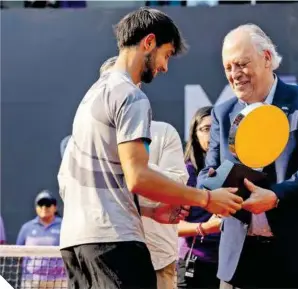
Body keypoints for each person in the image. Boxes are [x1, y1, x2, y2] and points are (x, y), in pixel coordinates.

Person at [58, 8, 242, 289]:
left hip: (76, 244)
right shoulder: (131, 95)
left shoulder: (91, 96)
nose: (164, 67)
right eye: (166, 54)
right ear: (148, 42)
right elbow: (138, 177)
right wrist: (205, 199)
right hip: (115, 245)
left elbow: (89, 180)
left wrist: (149, 211)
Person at [197, 24, 298, 289]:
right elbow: (208, 172)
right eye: (228, 68)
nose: (234, 75)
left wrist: (275, 197)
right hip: (240, 258)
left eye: (241, 64)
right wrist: (208, 191)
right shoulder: (222, 112)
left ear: (266, 59)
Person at [99, 55, 189, 289]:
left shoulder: (164, 132)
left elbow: (178, 182)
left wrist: (133, 161)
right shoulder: (92, 140)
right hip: (108, 255)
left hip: (158, 257)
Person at [177, 106, 222, 289]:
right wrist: (205, 228)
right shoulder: (185, 173)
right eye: (205, 129)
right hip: (196, 263)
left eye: (216, 128)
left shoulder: (236, 169)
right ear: (195, 135)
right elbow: (173, 226)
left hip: (231, 266)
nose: (212, 134)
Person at [16, 190, 66, 289]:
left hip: (59, 281)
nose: (44, 207)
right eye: (41, 204)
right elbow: (18, 255)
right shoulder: (27, 227)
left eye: (48, 204)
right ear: (36, 207)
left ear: (54, 207)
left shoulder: (65, 225)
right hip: (31, 280)